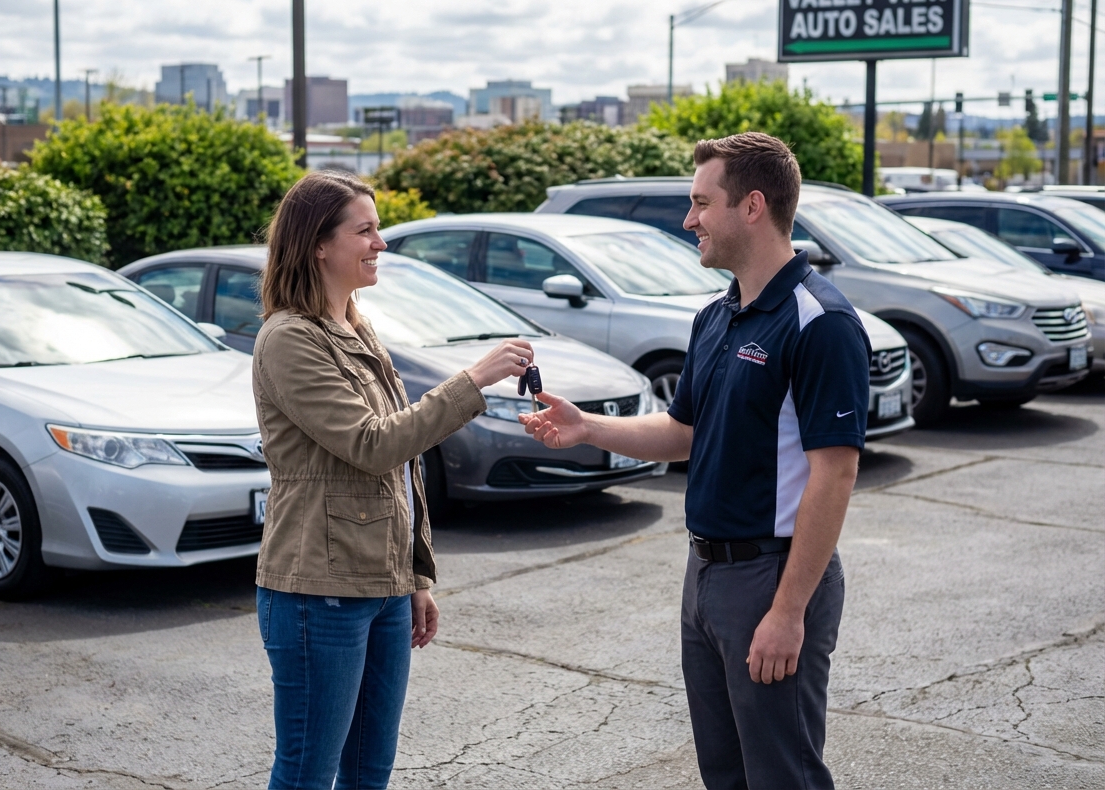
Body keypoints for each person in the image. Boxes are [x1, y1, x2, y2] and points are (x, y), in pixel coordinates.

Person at [520, 133, 870, 790]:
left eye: (700, 203)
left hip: (771, 578)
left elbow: (836, 472)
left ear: (753, 206)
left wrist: (788, 610)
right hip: (705, 575)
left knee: (782, 775)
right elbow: (684, 432)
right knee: (726, 774)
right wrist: (586, 425)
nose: (688, 221)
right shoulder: (715, 317)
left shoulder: (820, 321)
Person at [252, 171, 535, 790]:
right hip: (317, 594)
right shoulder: (288, 339)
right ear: (318, 245)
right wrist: (473, 379)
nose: (381, 242)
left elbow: (403, 477)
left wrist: (416, 576)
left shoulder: (357, 326)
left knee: (368, 771)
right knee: (306, 772)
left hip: (380, 587)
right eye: (366, 230)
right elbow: (374, 445)